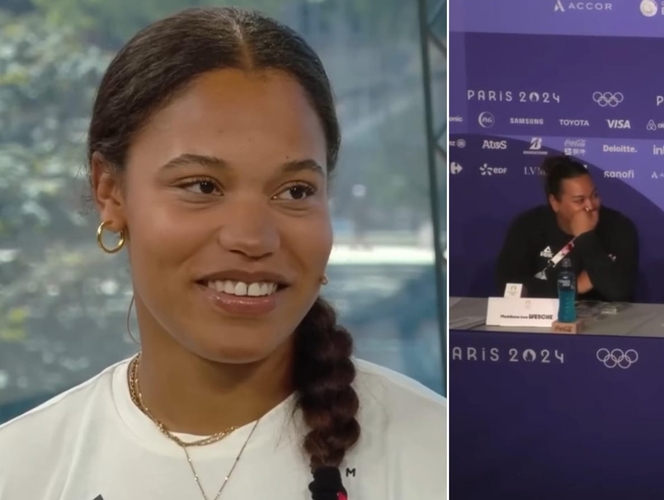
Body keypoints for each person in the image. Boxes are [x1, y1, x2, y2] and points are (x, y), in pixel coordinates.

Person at [0, 8, 445, 500]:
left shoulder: (444, 457)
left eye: (295, 191)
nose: (253, 238)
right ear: (111, 192)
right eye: (202, 185)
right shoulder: (23, 468)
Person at [495, 154, 639, 301]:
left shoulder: (618, 226)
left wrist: (586, 237)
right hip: (544, 319)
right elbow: (509, 287)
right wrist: (573, 286)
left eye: (594, 195)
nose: (591, 206)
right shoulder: (528, 226)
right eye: (579, 200)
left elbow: (619, 291)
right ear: (555, 202)